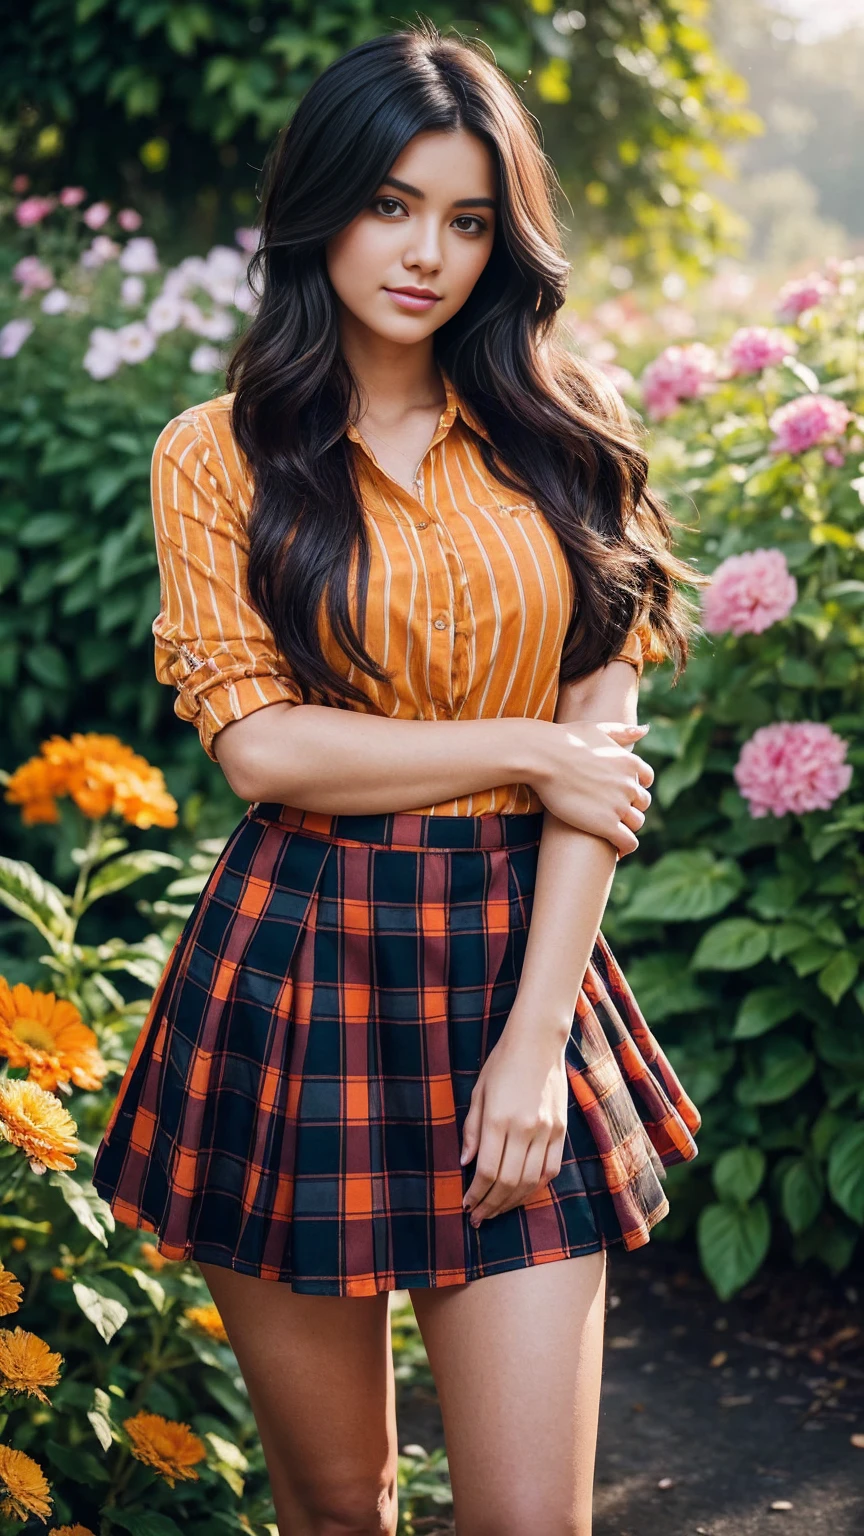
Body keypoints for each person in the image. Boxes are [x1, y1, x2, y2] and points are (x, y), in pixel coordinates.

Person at [92, 22, 703, 1535]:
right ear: (321, 209)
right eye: (392, 204)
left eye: (469, 217)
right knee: (337, 1504)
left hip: (520, 959)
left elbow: (601, 770)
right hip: (299, 970)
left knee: (524, 1519)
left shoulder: (570, 439)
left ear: (506, 238)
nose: (427, 251)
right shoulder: (219, 454)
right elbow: (263, 747)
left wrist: (535, 1040)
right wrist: (526, 750)